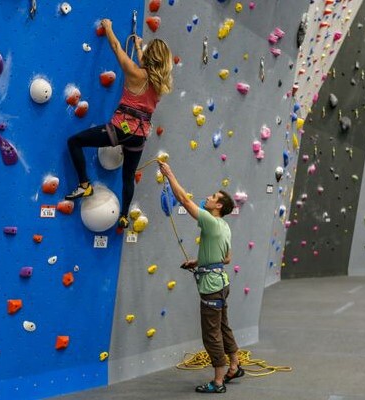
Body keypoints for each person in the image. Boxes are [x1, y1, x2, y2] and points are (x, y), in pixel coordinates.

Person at [65, 18, 173, 229]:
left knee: (74, 142)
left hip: (120, 129)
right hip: (140, 135)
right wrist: (139, 47)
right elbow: (146, 68)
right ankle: (124, 214)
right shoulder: (161, 84)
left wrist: (108, 28)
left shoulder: (134, 72)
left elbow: (115, 46)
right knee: (128, 176)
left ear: (150, 57)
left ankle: (85, 184)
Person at [158, 160, 244, 394]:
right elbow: (226, 259)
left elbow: (185, 200)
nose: (208, 197)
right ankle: (234, 365)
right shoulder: (224, 226)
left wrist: (169, 173)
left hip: (212, 287)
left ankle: (217, 382)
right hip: (222, 283)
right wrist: (199, 262)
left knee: (211, 334)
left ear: (218, 206)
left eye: (213, 196)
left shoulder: (210, 220)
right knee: (223, 326)